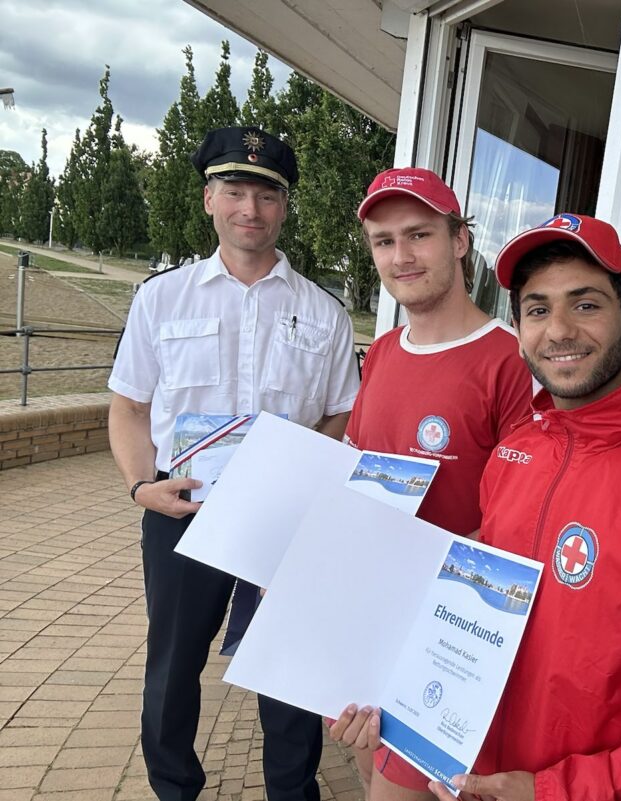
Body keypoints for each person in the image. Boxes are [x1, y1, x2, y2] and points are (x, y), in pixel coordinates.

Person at [336, 213, 621, 801]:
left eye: (586, 305)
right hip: (466, 774)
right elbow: (469, 615)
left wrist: (555, 792)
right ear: (518, 328)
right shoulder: (518, 450)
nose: (559, 330)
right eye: (537, 310)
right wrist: (396, 691)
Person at [108, 126, 360, 801]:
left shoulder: (323, 312)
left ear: (284, 206)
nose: (251, 207)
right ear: (208, 199)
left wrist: (303, 472)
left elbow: (341, 411)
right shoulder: (161, 298)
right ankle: (174, 788)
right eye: (235, 190)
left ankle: (291, 790)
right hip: (183, 509)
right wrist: (141, 487)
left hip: (283, 522)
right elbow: (128, 406)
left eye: (267, 194)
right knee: (172, 665)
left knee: (286, 668)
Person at [329, 167, 533, 794]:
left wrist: (421, 565)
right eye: (384, 242)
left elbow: (524, 515)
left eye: (418, 235)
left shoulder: (511, 358)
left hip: (453, 629)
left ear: (460, 242)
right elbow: (357, 468)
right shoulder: (385, 351)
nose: (401, 256)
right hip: (372, 612)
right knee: (367, 761)